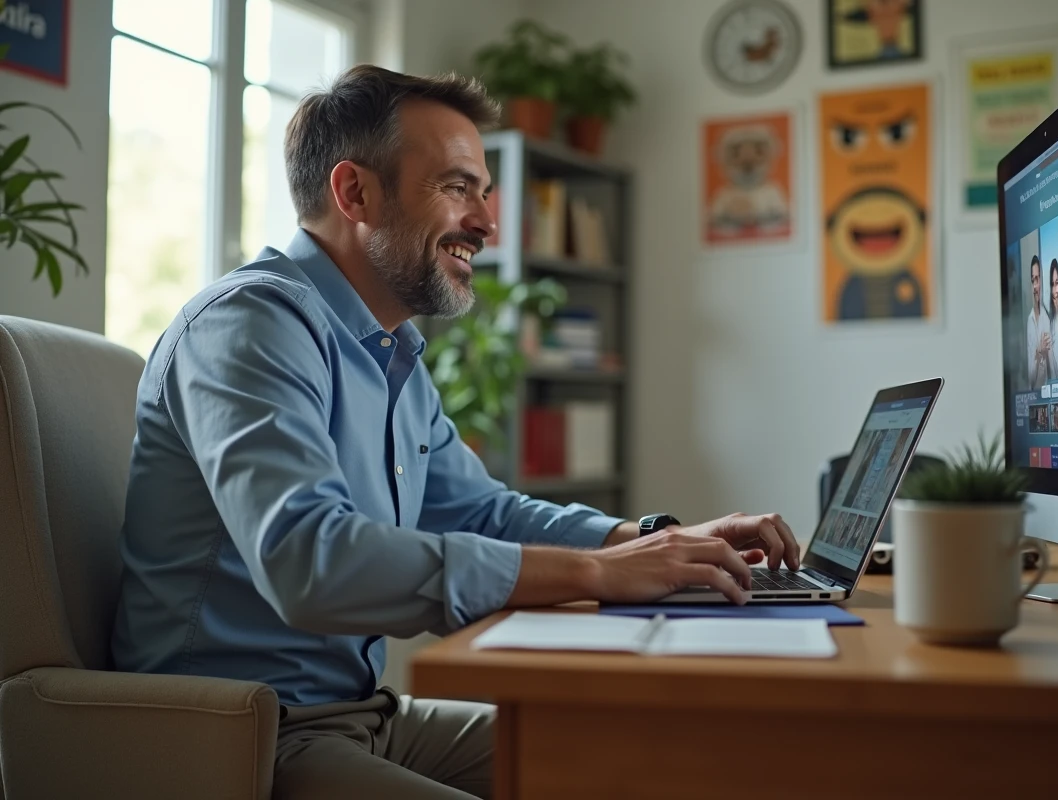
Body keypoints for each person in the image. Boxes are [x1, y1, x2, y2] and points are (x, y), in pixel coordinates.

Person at [108, 66, 801, 800]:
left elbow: (482, 512)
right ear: (355, 194)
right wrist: (598, 575)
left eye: (484, 193)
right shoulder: (251, 325)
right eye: (456, 187)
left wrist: (649, 543)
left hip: (359, 716)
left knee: (659, 763)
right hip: (237, 736)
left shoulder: (390, 353)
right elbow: (309, 562)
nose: (487, 223)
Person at [1027, 255, 1051, 390]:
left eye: (1037, 279)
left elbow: (1052, 370)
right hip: (1034, 396)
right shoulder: (1029, 322)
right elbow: (1030, 378)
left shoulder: (1047, 319)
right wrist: (1038, 352)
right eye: (1032, 280)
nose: (1035, 286)